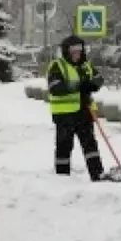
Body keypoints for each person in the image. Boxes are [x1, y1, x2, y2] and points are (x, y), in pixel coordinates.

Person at [46, 35, 105, 180]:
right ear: (66, 51)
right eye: (73, 51)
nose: (77, 54)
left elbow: (98, 78)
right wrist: (79, 86)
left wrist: (93, 85)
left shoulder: (87, 65)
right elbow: (55, 87)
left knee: (90, 145)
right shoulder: (57, 66)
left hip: (84, 111)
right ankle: (62, 177)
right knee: (64, 146)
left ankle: (97, 174)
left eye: (79, 50)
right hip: (64, 114)